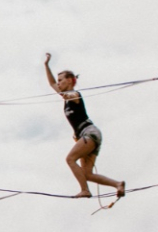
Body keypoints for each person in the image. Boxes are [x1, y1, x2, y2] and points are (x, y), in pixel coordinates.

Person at [44, 54, 125, 200]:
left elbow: (73, 96)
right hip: (89, 135)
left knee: (70, 159)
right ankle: (118, 184)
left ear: (70, 80)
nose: (58, 83)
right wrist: (46, 65)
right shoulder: (66, 95)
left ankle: (84, 190)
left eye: (61, 80)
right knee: (87, 174)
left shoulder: (74, 95)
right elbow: (51, 84)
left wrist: (66, 96)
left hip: (90, 133)